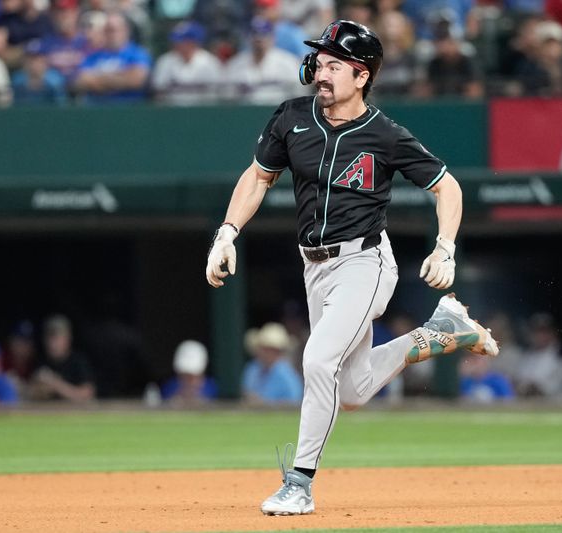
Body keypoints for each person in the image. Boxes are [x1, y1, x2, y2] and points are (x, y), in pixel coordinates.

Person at [204, 19, 499, 516]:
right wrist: (227, 231)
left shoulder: (384, 134)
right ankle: (443, 332)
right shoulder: (292, 117)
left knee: (318, 361)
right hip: (314, 267)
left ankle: (298, 483)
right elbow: (257, 178)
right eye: (320, 62)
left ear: (362, 76)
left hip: (365, 262)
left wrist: (444, 246)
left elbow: (448, 187)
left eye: (335, 65)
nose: (322, 72)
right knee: (354, 389)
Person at [219, 16, 307, 104]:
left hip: (279, 112)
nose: (259, 39)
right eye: (255, 34)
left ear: (272, 37)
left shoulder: (288, 62)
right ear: (248, 37)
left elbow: (299, 93)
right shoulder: (236, 64)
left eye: (263, 34)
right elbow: (227, 96)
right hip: (245, 113)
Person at [72, 11, 151, 103]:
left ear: (126, 30)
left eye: (115, 30)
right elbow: (81, 81)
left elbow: (136, 80)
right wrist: (122, 76)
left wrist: (99, 79)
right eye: (107, 30)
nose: (111, 34)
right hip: (96, 110)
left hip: (129, 109)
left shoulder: (137, 53)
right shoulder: (94, 56)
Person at [28, 314, 96, 402]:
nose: (53, 343)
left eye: (57, 338)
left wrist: (55, 383)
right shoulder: (41, 362)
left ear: (68, 339)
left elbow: (87, 395)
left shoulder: (78, 362)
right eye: (50, 337)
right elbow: (31, 395)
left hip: (75, 413)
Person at [152, 20, 220, 105]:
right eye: (177, 41)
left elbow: (215, 95)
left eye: (183, 41)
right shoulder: (165, 61)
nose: (178, 45)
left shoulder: (210, 62)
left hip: (203, 111)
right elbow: (159, 93)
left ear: (194, 42)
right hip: (171, 112)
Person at [241, 322, 303, 405]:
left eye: (269, 349)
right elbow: (246, 394)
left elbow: (294, 403)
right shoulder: (253, 368)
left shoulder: (287, 375)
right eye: (263, 348)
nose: (263, 353)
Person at [513, 312, 562, 397]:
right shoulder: (526, 356)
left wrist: (533, 388)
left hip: (550, 405)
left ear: (552, 333)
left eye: (544, 331)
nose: (540, 335)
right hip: (524, 404)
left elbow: (554, 388)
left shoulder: (560, 357)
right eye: (537, 331)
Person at [161, 339, 218, 405]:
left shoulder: (211, 387)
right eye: (184, 376)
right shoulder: (169, 387)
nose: (188, 381)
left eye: (192, 377)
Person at [11, 38, 67, 104]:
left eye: (38, 59)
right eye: (31, 59)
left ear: (45, 60)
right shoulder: (17, 79)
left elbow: (62, 107)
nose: (34, 63)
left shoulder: (55, 80)